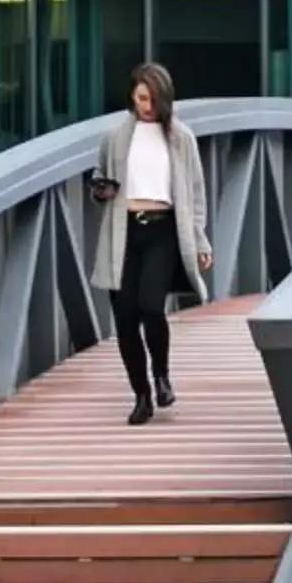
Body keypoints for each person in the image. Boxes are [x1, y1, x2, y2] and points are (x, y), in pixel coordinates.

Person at [87, 62, 215, 425]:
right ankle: (141, 394)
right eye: (142, 98)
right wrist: (101, 190)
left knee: (151, 307)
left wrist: (201, 240)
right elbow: (99, 177)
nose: (147, 105)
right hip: (123, 231)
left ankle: (162, 376)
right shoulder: (114, 137)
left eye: (154, 99)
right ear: (132, 95)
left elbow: (195, 194)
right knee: (125, 317)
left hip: (162, 230)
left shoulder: (181, 137)